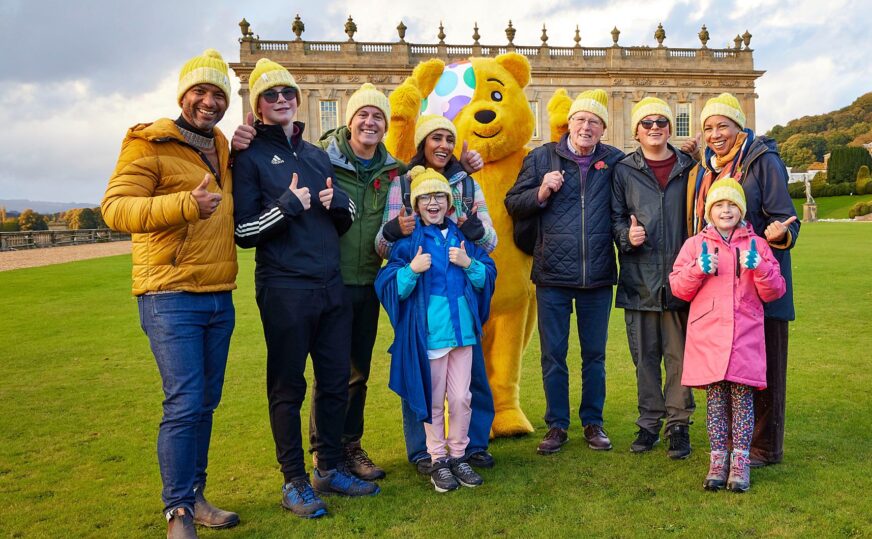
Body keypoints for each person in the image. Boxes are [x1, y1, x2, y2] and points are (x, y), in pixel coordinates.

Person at [232, 59, 379, 519]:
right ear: (257, 105)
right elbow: (243, 231)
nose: (281, 101)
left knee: (336, 382)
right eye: (271, 96)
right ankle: (294, 480)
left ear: (297, 101)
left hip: (329, 285)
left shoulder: (317, 155)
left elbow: (347, 216)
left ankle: (328, 467)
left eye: (287, 94)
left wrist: (339, 206)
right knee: (287, 386)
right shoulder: (249, 155)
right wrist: (286, 206)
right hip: (284, 287)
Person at [102, 49, 240, 539]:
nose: (209, 101)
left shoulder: (222, 146)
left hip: (218, 293)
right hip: (168, 293)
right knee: (184, 400)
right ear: (183, 96)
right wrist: (185, 203)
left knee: (205, 401)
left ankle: (196, 496)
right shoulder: (148, 142)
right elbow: (115, 210)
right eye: (200, 92)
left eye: (218, 94)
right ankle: (178, 511)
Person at [375, 114, 497, 474]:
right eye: (435, 138)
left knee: (469, 381)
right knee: (422, 379)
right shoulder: (401, 183)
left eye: (448, 138)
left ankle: (469, 447)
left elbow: (490, 243)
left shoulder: (467, 184)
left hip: (460, 299)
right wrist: (394, 230)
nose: (442, 145)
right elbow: (383, 246)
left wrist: (474, 231)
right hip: (425, 301)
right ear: (422, 144)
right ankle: (424, 452)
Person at [505, 89, 625, 455]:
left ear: (603, 129)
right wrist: (541, 191)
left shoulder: (615, 162)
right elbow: (513, 203)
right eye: (580, 120)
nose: (586, 127)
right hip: (552, 275)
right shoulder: (541, 158)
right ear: (568, 124)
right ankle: (556, 425)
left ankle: (593, 422)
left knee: (595, 355)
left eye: (594, 122)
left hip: (598, 275)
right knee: (553, 354)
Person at [686, 93, 800, 467]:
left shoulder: (762, 160)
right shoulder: (708, 168)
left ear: (739, 127)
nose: (715, 134)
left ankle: (764, 448)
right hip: (720, 292)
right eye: (708, 127)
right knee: (729, 371)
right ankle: (733, 448)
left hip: (761, 284)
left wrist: (777, 235)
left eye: (722, 125)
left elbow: (787, 220)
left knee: (763, 370)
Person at [670, 179, 785, 492]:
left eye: (732, 205)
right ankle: (718, 461)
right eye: (719, 205)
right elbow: (679, 287)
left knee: (742, 401)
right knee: (716, 402)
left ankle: (741, 462)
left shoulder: (757, 245)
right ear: (709, 211)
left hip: (744, 335)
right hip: (709, 337)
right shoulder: (695, 245)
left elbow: (775, 290)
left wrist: (760, 266)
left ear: (741, 210)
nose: (725, 210)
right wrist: (697, 268)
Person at [611, 97, 697, 459]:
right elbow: (614, 220)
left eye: (662, 121)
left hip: (681, 277)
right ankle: (649, 422)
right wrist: (625, 237)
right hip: (639, 277)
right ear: (636, 131)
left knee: (679, 358)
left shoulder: (689, 167)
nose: (655, 127)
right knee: (644, 358)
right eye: (647, 123)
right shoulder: (623, 170)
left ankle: (678, 425)